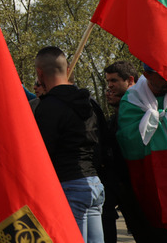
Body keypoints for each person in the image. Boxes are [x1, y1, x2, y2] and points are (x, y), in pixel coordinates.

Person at [33, 46, 105, 243]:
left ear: (40, 73)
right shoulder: (90, 103)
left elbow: (42, 152)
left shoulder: (47, 107)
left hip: (68, 185)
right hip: (94, 183)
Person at [116, 66, 167, 242]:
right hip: (152, 179)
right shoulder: (132, 100)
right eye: (163, 76)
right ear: (147, 74)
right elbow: (127, 139)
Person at [101, 61, 152, 243]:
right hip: (122, 190)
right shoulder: (112, 119)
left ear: (131, 81)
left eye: (114, 81)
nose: (110, 87)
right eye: (108, 82)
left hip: (143, 191)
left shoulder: (147, 115)